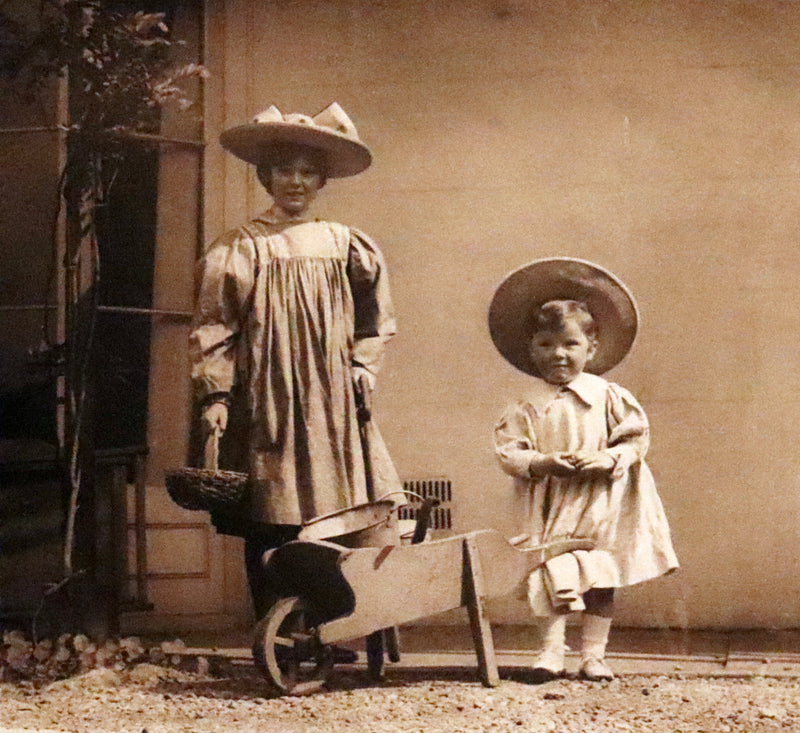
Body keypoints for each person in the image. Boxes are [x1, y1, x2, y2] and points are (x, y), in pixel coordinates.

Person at [189, 103, 400, 623]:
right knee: (273, 506)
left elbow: (374, 318)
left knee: (336, 505)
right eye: (284, 170)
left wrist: (362, 366)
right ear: (265, 177)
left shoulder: (344, 242)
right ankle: (276, 624)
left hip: (331, 400)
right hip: (270, 396)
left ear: (322, 179)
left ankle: (331, 623)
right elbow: (216, 325)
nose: (296, 182)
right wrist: (216, 394)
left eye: (308, 172)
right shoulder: (240, 247)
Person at [489, 258, 678, 683]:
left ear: (590, 349)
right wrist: (542, 462)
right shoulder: (525, 404)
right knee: (551, 573)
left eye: (570, 344)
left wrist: (608, 458)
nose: (558, 354)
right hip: (550, 501)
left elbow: (635, 439)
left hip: (600, 501)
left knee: (599, 576)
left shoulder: (608, 395)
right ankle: (550, 652)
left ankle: (594, 655)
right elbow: (508, 452)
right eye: (546, 345)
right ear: (530, 349)